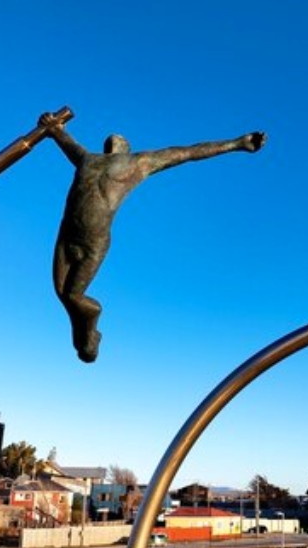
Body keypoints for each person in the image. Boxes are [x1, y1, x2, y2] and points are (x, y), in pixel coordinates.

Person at [39, 113, 266, 362]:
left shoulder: (140, 162)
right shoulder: (87, 159)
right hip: (66, 234)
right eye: (111, 139)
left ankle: (92, 324)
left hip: (93, 242)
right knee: (62, 293)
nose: (115, 138)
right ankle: (86, 338)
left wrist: (236, 143)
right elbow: (61, 136)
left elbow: (188, 152)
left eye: (121, 139)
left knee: (73, 296)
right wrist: (52, 126)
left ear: (128, 147)